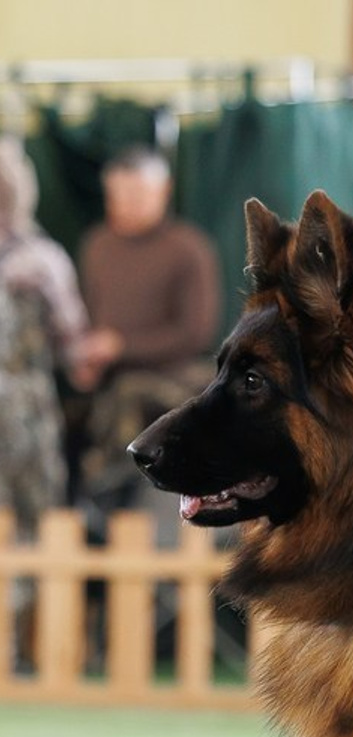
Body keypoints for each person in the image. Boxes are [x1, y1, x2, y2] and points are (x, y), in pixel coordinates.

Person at [73, 146, 221, 518]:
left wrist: (122, 347)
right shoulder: (97, 245)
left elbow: (195, 333)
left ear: (164, 190)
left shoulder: (189, 248)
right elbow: (89, 318)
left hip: (171, 385)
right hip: (108, 388)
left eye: (137, 195)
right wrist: (88, 357)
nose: (126, 205)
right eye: (118, 195)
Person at [0, 135, 92, 528]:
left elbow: (76, 348)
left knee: (33, 514)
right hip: (26, 403)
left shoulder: (40, 259)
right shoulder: (41, 258)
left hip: (25, 407)